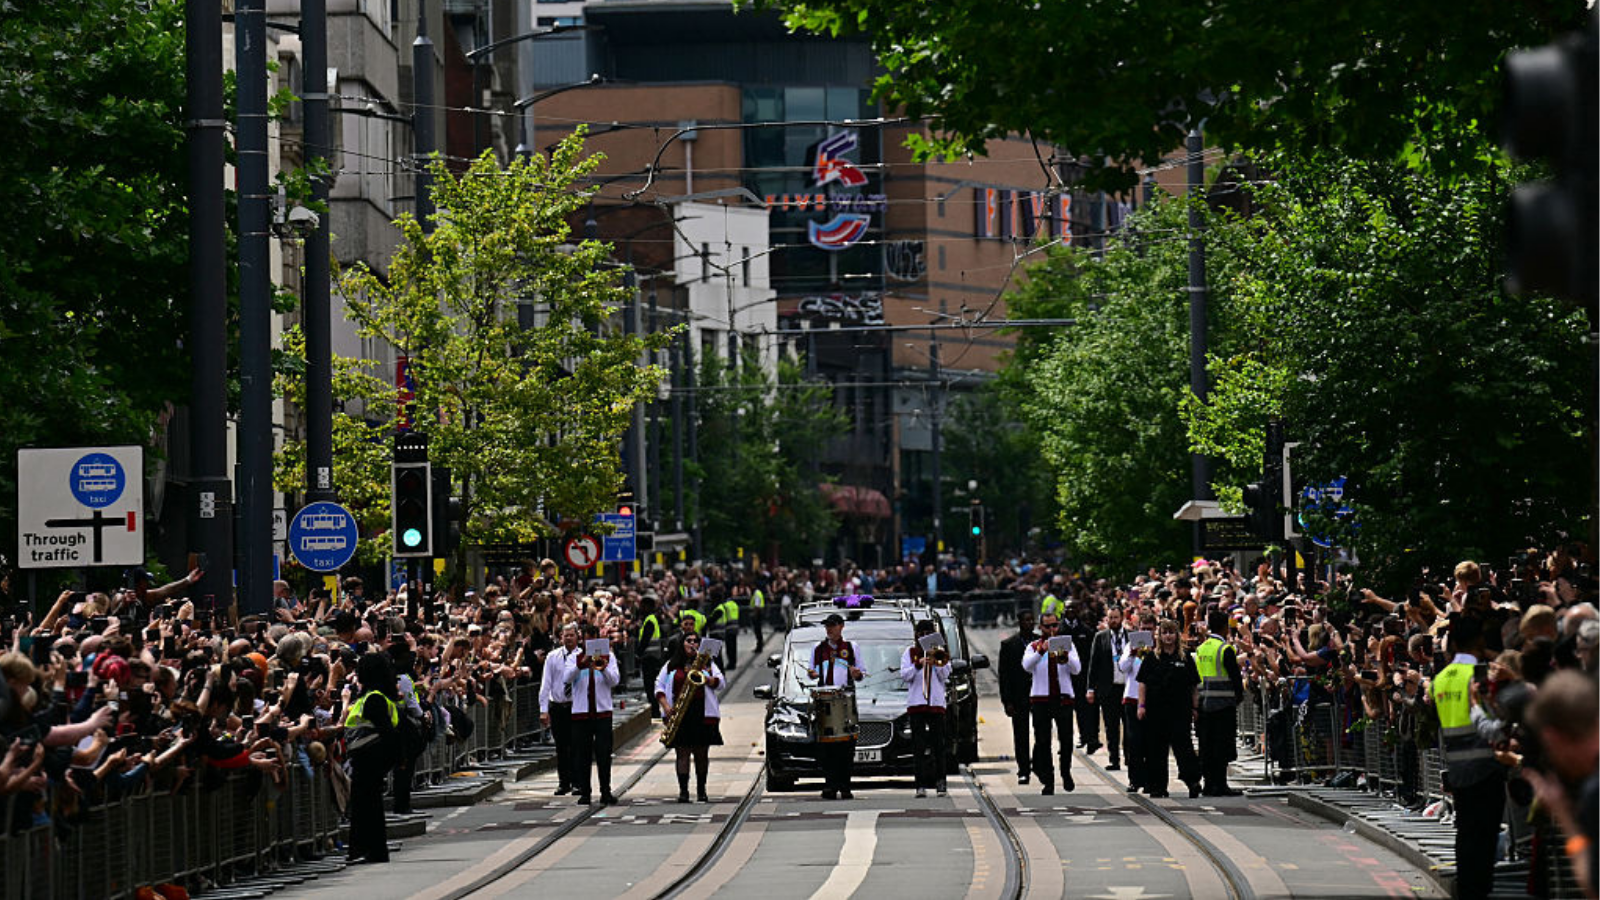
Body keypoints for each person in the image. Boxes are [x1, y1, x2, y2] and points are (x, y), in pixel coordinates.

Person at [1429, 614, 1508, 900]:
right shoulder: (1480, 676)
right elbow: (1492, 718)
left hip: (1457, 768)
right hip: (1486, 765)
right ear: (1478, 641)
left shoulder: (1440, 679)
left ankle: (1466, 890)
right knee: (1485, 837)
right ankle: (1478, 891)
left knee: (1465, 834)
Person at [344, 652, 402, 863]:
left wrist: (390, 759)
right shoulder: (374, 696)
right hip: (370, 759)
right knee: (367, 805)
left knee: (366, 806)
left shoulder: (374, 698)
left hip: (369, 759)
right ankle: (368, 850)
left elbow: (387, 732)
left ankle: (371, 850)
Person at [654, 632, 725, 802]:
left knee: (701, 753)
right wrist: (666, 706)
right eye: (689, 641)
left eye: (696, 641)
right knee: (682, 753)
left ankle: (702, 790)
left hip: (702, 713)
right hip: (681, 713)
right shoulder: (671, 665)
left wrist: (707, 676)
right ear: (682, 644)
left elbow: (721, 683)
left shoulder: (707, 663)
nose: (693, 644)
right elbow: (659, 686)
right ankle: (683, 791)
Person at [1137, 619, 1201, 799]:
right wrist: (1141, 705)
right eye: (1164, 632)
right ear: (1159, 635)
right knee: (1156, 750)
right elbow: (1142, 683)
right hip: (1156, 710)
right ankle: (1158, 786)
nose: (1168, 636)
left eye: (1171, 632)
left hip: (1180, 710)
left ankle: (1192, 781)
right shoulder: (1151, 657)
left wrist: (1195, 707)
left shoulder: (1185, 657)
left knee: (1184, 747)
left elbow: (1193, 685)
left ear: (1177, 635)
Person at [1022, 612, 1081, 795]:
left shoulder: (1067, 645)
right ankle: (1048, 779)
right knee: (1043, 741)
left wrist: (1065, 654)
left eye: (1055, 625)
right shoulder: (1033, 646)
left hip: (1063, 698)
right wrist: (1042, 651)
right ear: (1041, 628)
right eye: (1048, 626)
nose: (1052, 630)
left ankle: (1066, 771)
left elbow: (1077, 669)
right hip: (1041, 699)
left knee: (1066, 739)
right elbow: (1026, 666)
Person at [807, 612, 863, 799]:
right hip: (824, 701)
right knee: (826, 747)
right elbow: (811, 671)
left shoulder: (851, 647)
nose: (829, 629)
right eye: (827, 626)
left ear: (841, 626)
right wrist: (812, 675)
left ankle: (845, 785)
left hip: (845, 700)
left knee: (846, 746)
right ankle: (830, 784)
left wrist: (856, 674)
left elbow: (861, 673)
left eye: (832, 625)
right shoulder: (818, 649)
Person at [564, 624, 621, 806]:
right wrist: (582, 663)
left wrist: (603, 668)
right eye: (586, 638)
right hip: (581, 713)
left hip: (602, 711)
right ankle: (585, 792)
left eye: (592, 638)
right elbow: (567, 677)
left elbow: (615, 680)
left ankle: (606, 791)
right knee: (582, 754)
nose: (589, 642)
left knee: (604, 754)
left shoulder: (609, 656)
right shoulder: (574, 657)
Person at [1194, 609, 1243, 796]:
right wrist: (1237, 698)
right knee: (1222, 747)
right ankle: (1220, 785)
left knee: (1206, 746)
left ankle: (1208, 785)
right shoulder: (1225, 649)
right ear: (1225, 628)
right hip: (1223, 706)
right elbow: (1236, 679)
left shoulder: (1201, 648)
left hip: (1203, 704)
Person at [899, 619, 951, 798]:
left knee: (939, 745)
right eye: (921, 635)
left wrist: (936, 661)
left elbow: (946, 675)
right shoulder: (909, 652)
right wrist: (919, 664)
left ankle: (941, 782)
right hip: (916, 704)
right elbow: (905, 675)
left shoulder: (941, 651)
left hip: (935, 704)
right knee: (918, 747)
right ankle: (920, 784)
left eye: (928, 634)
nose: (924, 638)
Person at [1087, 605, 1133, 771]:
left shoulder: (1131, 636)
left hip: (1127, 687)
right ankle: (1114, 759)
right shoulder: (1100, 637)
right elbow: (1093, 664)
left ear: (1122, 618)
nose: (1113, 621)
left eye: (1115, 617)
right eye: (1110, 618)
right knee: (1111, 726)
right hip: (1108, 688)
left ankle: (1130, 757)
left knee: (1129, 725)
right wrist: (1090, 688)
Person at [539, 624, 580, 795]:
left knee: (576, 745)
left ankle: (578, 782)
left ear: (577, 637)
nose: (568, 638)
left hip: (576, 707)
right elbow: (545, 683)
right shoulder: (552, 657)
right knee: (561, 747)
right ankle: (564, 782)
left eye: (572, 635)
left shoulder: (582, 656)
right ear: (561, 637)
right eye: (566, 635)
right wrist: (543, 709)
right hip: (557, 706)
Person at [999, 610, 1037, 784]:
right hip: (1018, 697)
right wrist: (1007, 701)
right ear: (1020, 622)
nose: (1030, 623)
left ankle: (1038, 764)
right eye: (1026, 620)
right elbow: (1004, 675)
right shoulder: (1009, 645)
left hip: (1038, 695)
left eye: (1032, 620)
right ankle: (1023, 769)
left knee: (1041, 733)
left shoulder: (1041, 641)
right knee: (1021, 734)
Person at [1062, 600, 1101, 755]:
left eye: (1073, 608)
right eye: (1068, 608)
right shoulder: (1059, 630)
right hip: (1065, 676)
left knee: (1085, 708)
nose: (1070, 610)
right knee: (1066, 710)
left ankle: (1089, 737)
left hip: (1083, 676)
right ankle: (1066, 741)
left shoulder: (1086, 630)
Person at [637, 596, 667, 718]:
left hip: (650, 659)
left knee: (650, 686)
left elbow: (645, 640)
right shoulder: (652, 619)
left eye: (642, 606)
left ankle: (655, 711)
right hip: (654, 658)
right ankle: (655, 710)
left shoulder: (649, 620)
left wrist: (638, 653)